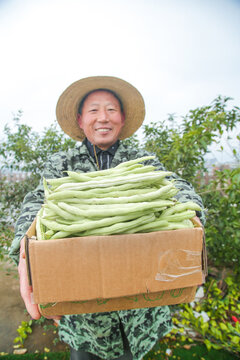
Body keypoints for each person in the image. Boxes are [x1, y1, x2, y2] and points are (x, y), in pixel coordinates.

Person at [9, 76, 205, 360]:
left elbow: (179, 189)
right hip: (83, 318)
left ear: (122, 119)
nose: (104, 117)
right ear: (79, 120)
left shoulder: (143, 160)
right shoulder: (61, 165)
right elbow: (37, 202)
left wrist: (193, 215)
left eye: (111, 109)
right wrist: (24, 249)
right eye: (94, 110)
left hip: (140, 310)